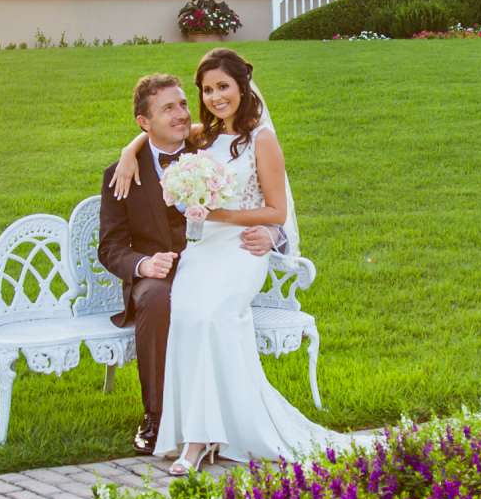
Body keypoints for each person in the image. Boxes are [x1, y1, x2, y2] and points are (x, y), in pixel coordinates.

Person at [108, 48, 345, 476]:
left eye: (223, 87)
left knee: (216, 314)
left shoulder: (262, 139)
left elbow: (275, 210)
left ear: (242, 87)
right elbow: (160, 133)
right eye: (208, 90)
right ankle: (196, 433)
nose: (216, 97)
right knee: (189, 315)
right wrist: (130, 150)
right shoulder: (202, 138)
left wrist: (223, 216)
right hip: (202, 252)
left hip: (240, 249)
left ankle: (204, 439)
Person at [97, 73, 274, 456]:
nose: (181, 114)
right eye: (168, 109)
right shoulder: (120, 173)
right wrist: (143, 265)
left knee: (206, 304)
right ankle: (157, 415)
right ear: (144, 123)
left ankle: (217, 419)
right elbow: (110, 246)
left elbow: (256, 194)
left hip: (211, 261)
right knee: (159, 298)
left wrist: (272, 235)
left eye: (182, 104)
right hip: (157, 273)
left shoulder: (207, 151)